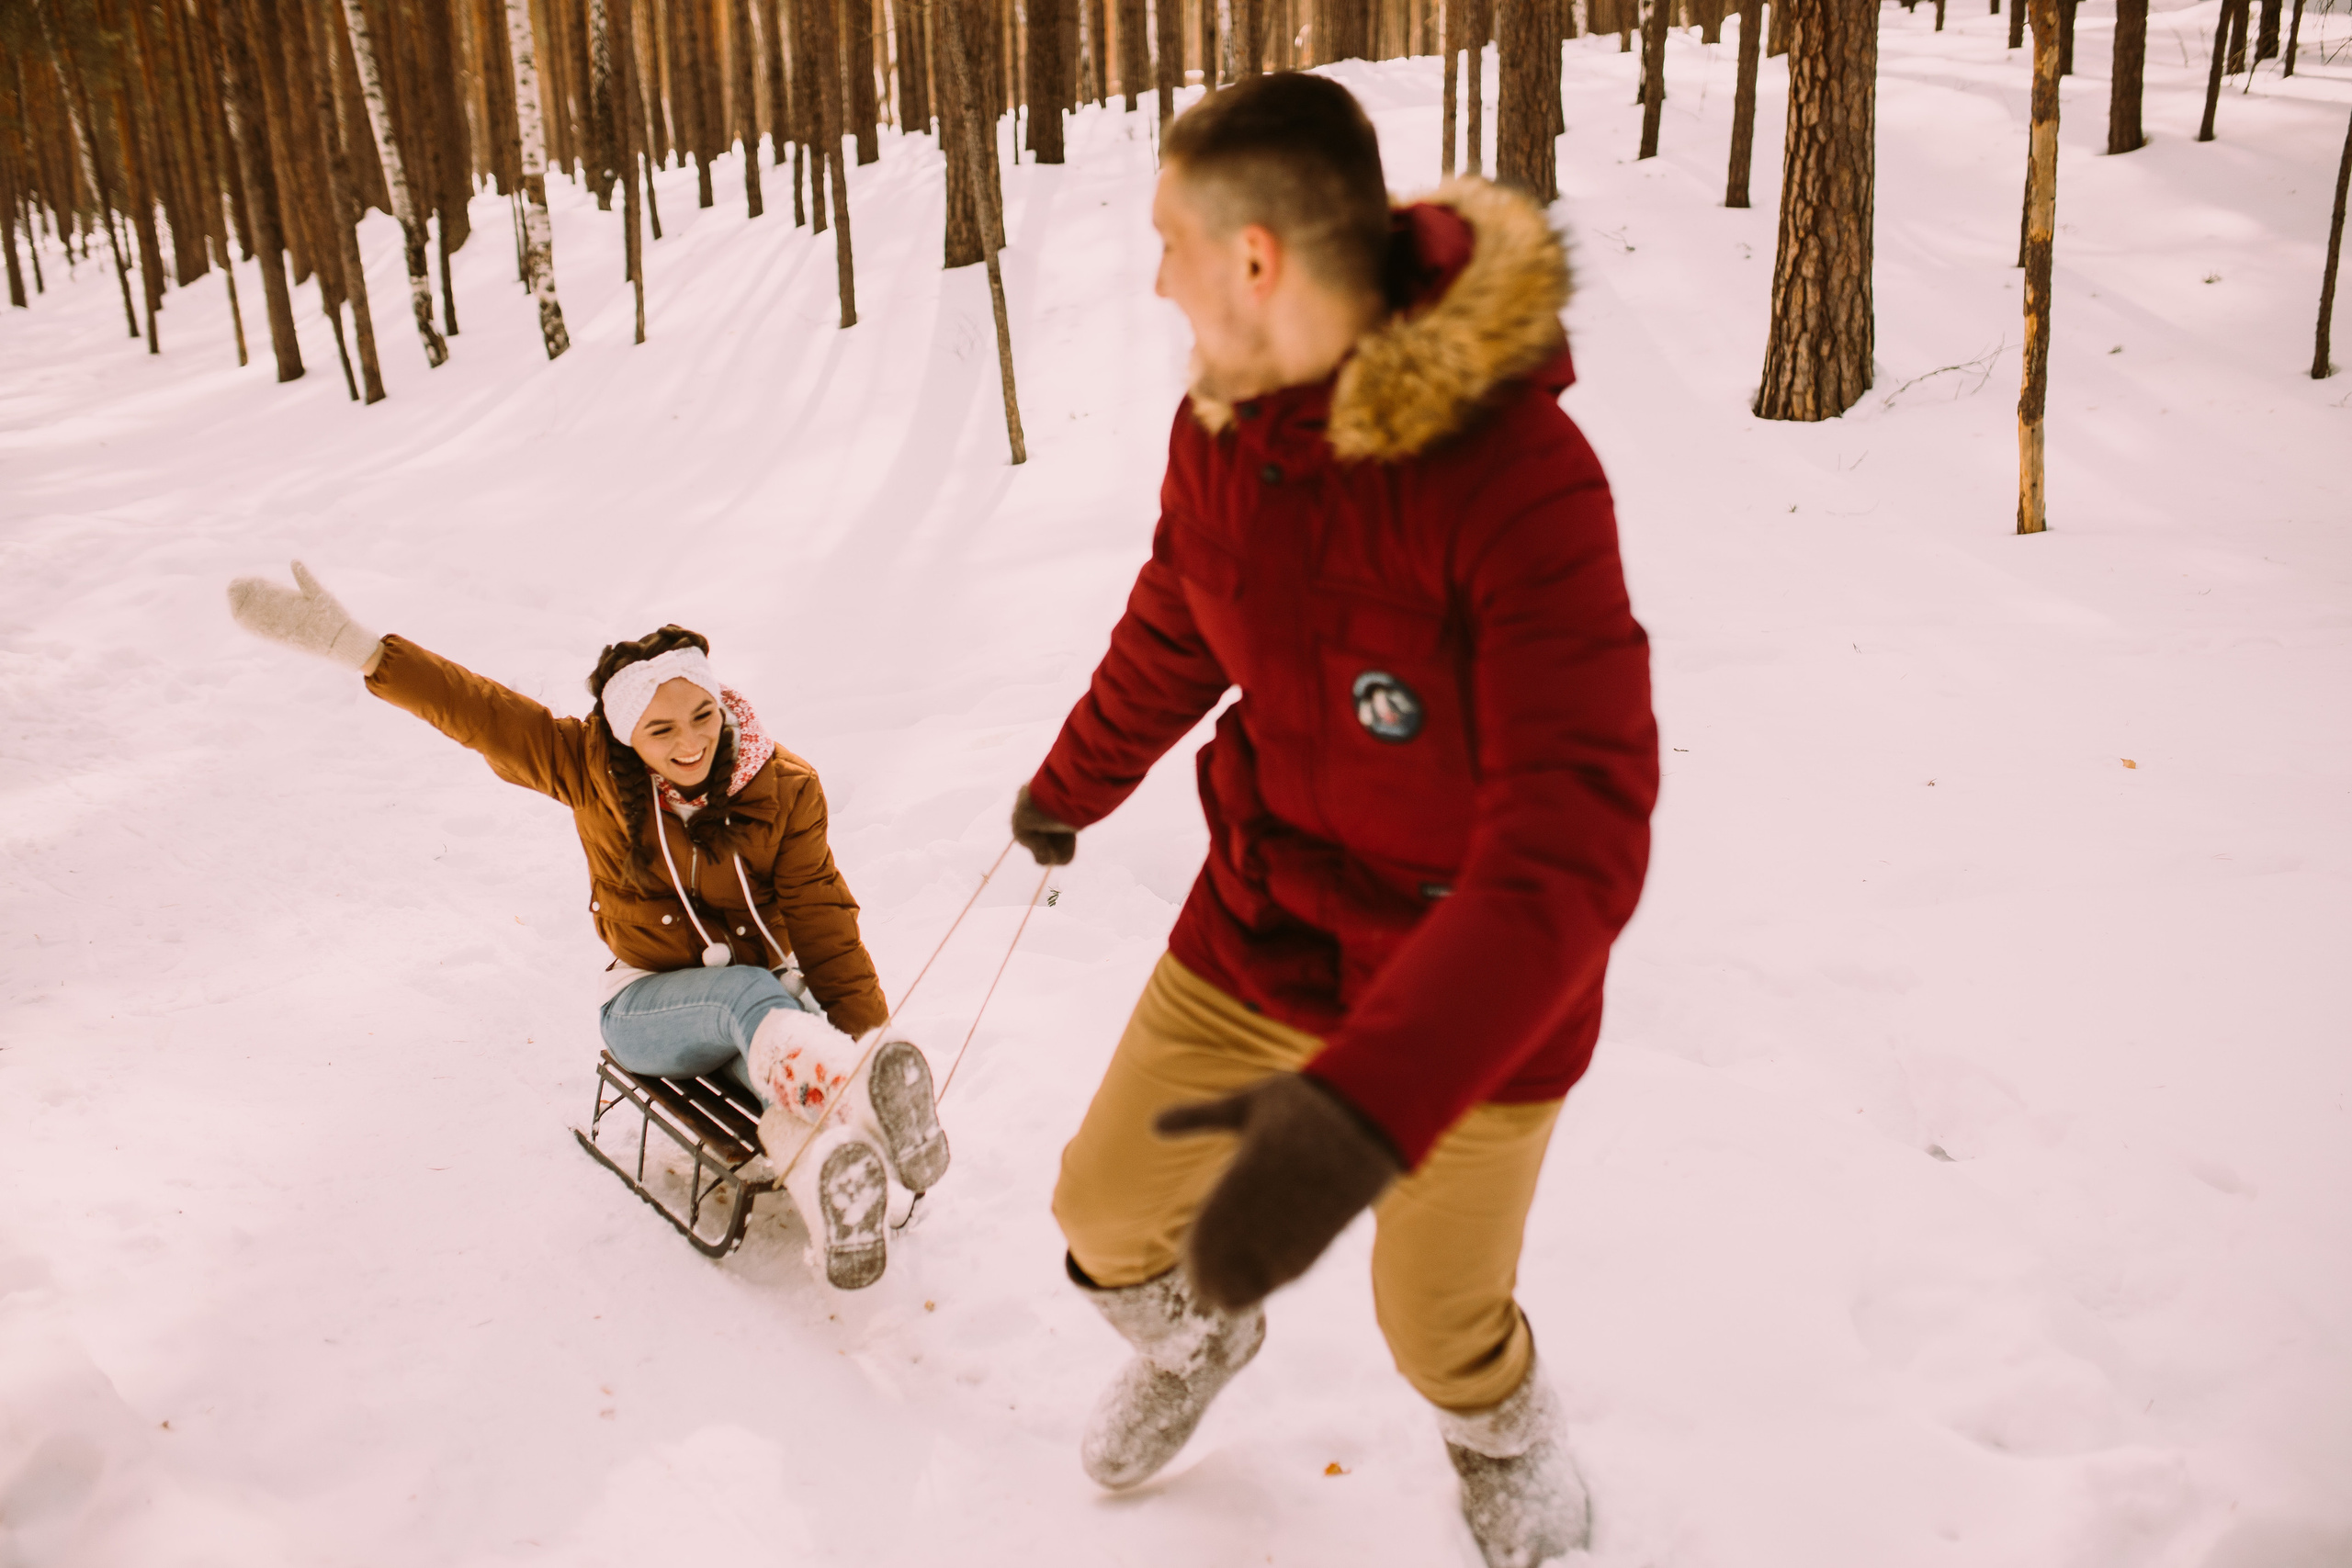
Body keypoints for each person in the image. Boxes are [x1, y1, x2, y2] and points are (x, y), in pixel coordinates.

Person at [1009, 74, 1657, 1567]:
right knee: (1102, 1218)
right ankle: (1193, 1348)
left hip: (1464, 985)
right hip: (1268, 918)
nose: (1150, 268)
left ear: (1255, 260)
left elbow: (1581, 837)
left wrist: (1363, 1107)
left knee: (1433, 1319)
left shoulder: (1517, 481)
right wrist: (1070, 783)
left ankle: (1505, 1431)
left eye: (1168, 236)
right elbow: (1179, 619)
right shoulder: (1219, 430)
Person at [226, 566, 949, 1290]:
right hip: (647, 1011)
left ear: (719, 701)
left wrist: (865, 1033)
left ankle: (842, 1209)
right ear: (628, 735)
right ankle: (859, 1095)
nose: (689, 741)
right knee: (752, 996)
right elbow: (483, 712)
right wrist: (363, 650)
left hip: (763, 1022)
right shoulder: (587, 765)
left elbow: (824, 918)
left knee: (785, 1044)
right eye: (660, 729)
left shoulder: (784, 787)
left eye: (701, 715)